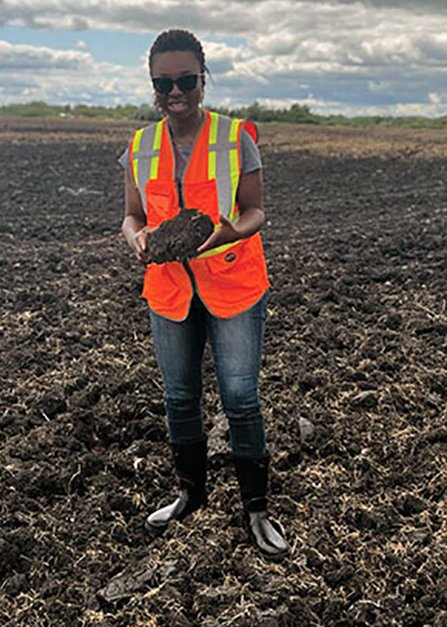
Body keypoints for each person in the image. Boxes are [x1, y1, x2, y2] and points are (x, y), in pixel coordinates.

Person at [119, 28, 289, 558]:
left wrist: (230, 231)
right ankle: (189, 495)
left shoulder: (235, 136)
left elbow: (256, 211)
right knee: (179, 397)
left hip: (233, 284)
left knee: (240, 398)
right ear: (152, 85)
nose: (176, 92)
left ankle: (256, 509)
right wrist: (137, 239)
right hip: (169, 289)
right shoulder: (141, 145)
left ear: (203, 79)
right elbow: (131, 217)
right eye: (163, 82)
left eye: (186, 80)